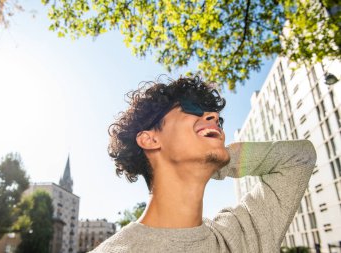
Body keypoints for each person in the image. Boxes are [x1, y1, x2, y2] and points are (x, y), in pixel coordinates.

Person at [92, 76, 317, 253]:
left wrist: (217, 161)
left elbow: (299, 156)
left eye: (217, 117)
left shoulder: (240, 238)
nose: (213, 116)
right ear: (150, 140)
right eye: (192, 108)